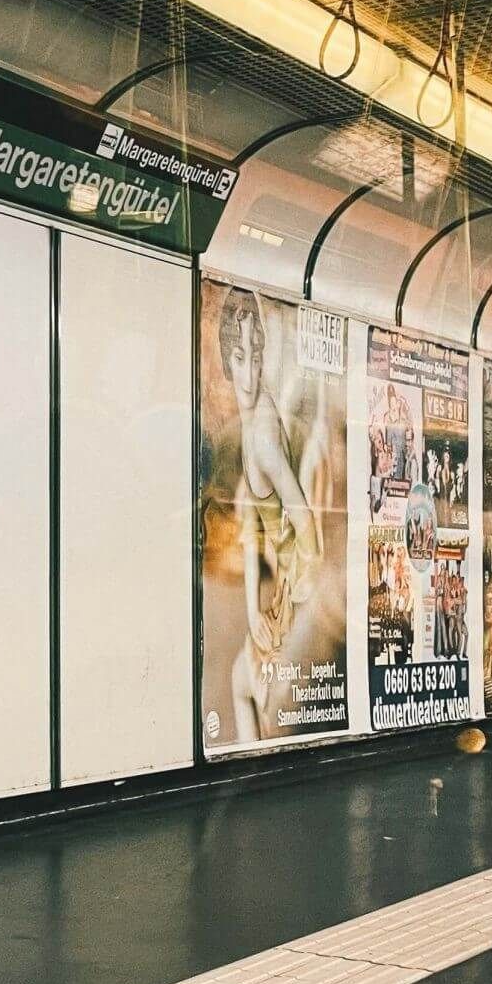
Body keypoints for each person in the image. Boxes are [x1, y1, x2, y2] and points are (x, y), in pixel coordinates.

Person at [219, 286, 326, 739]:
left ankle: (252, 771)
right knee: (246, 687)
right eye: (240, 357)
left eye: (256, 356)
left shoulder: (260, 433)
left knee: (252, 690)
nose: (248, 375)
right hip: (280, 605)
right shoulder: (255, 421)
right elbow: (250, 534)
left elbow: (303, 521)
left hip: (289, 604)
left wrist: (292, 599)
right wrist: (252, 613)